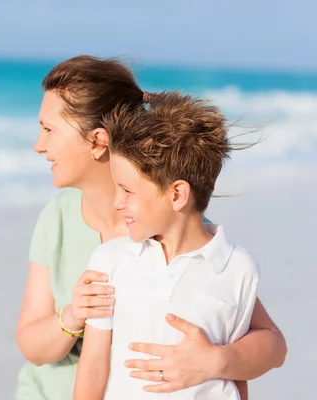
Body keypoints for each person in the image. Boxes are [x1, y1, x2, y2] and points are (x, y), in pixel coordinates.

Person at [16, 56, 287, 400]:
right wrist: (74, 314)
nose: (38, 145)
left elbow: (263, 342)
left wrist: (218, 361)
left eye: (49, 129)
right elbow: (31, 345)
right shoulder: (60, 218)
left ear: (98, 141)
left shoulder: (182, 234)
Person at [74, 91, 261, 399]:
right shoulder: (109, 261)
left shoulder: (238, 269)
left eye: (126, 190)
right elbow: (93, 368)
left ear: (177, 195)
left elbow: (237, 376)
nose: (117, 202)